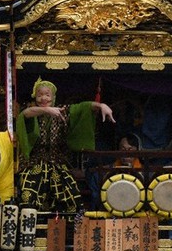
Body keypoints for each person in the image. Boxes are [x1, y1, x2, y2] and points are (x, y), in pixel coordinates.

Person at [17, 78, 114, 211]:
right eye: (39, 95)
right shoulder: (33, 112)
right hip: (35, 164)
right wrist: (47, 111)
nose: (43, 98)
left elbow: (82, 108)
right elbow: (25, 114)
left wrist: (101, 105)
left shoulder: (63, 111)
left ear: (53, 97)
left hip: (58, 165)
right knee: (27, 199)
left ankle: (69, 229)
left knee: (72, 200)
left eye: (47, 95)